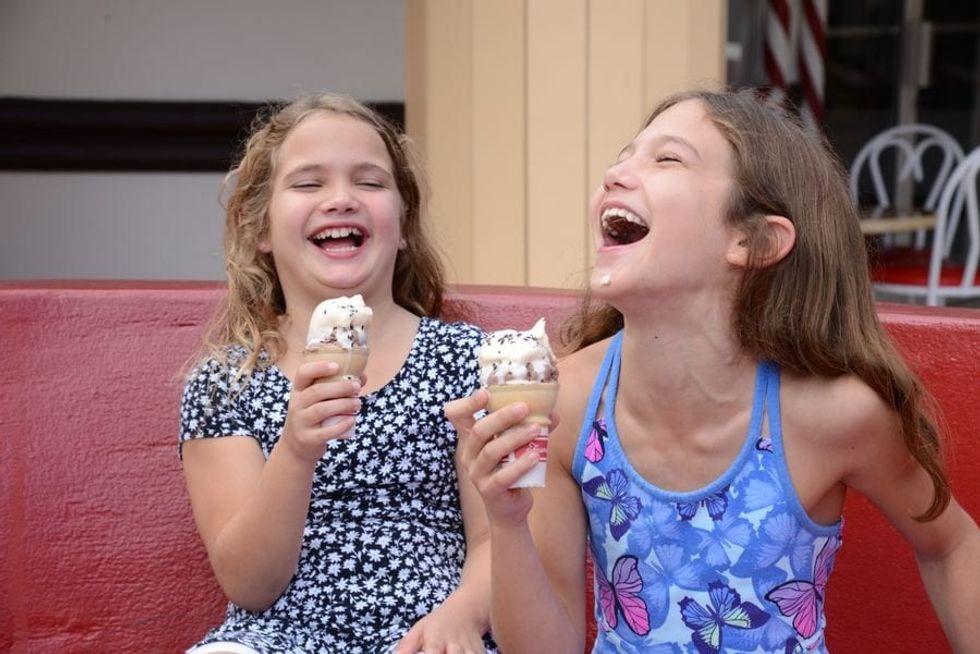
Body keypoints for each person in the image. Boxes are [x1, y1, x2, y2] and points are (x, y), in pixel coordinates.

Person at [447, 88, 980, 653]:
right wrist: (505, 521)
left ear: (753, 241)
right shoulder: (565, 403)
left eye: (667, 158)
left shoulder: (832, 413)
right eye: (624, 155)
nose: (615, 172)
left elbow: (949, 546)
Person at [179, 94, 494, 654]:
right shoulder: (225, 382)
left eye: (370, 183)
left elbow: (501, 537)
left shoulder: (469, 360)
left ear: (403, 228)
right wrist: (296, 451)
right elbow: (249, 585)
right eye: (308, 184)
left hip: (427, 634)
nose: (341, 199)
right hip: (275, 636)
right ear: (260, 230)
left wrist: (462, 616)